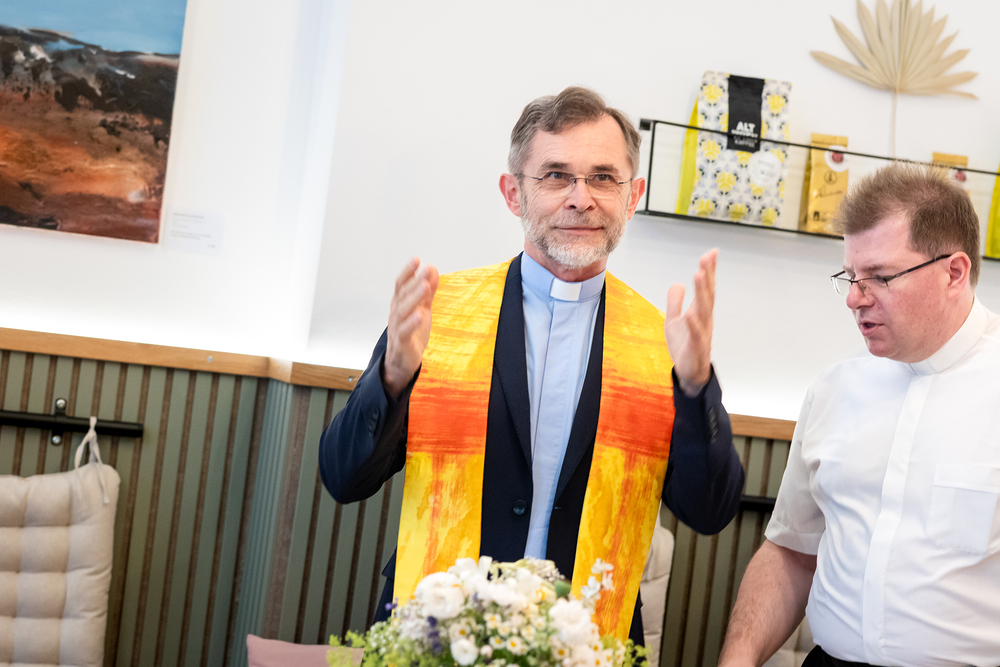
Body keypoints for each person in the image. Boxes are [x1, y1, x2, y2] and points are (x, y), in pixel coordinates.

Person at [319, 86, 744, 644]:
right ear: (513, 193)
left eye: (603, 178)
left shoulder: (661, 339)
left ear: (633, 195)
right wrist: (393, 378)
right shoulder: (439, 314)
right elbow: (343, 478)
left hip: (587, 642)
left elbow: (710, 512)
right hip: (436, 633)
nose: (581, 199)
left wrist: (694, 387)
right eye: (556, 176)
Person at [718, 164, 1000, 667]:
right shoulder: (834, 389)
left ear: (954, 273)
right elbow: (791, 553)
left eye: (880, 277)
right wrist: (737, 660)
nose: (853, 298)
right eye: (850, 277)